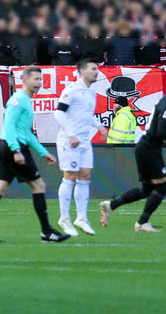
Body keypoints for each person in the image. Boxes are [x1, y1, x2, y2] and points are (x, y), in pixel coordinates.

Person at [0, 66, 69, 243]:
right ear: (25, 80)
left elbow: (26, 132)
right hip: (13, 146)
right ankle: (46, 232)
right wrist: (16, 150)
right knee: (39, 186)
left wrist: (43, 153)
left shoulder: (26, 100)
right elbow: (9, 126)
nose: (39, 83)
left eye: (40, 80)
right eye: (35, 79)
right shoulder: (18, 100)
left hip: (10, 146)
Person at [100, 74, 166, 232]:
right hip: (148, 148)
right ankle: (142, 222)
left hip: (148, 147)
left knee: (146, 189)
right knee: (163, 187)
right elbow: (161, 132)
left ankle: (111, 205)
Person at [53, 59, 103, 235]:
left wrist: (99, 126)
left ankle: (81, 218)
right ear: (82, 71)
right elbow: (59, 113)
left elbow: (87, 115)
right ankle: (64, 218)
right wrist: (70, 134)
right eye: (93, 69)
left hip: (84, 141)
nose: (97, 72)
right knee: (70, 176)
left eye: (97, 69)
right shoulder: (72, 90)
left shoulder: (91, 92)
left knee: (85, 175)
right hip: (69, 140)